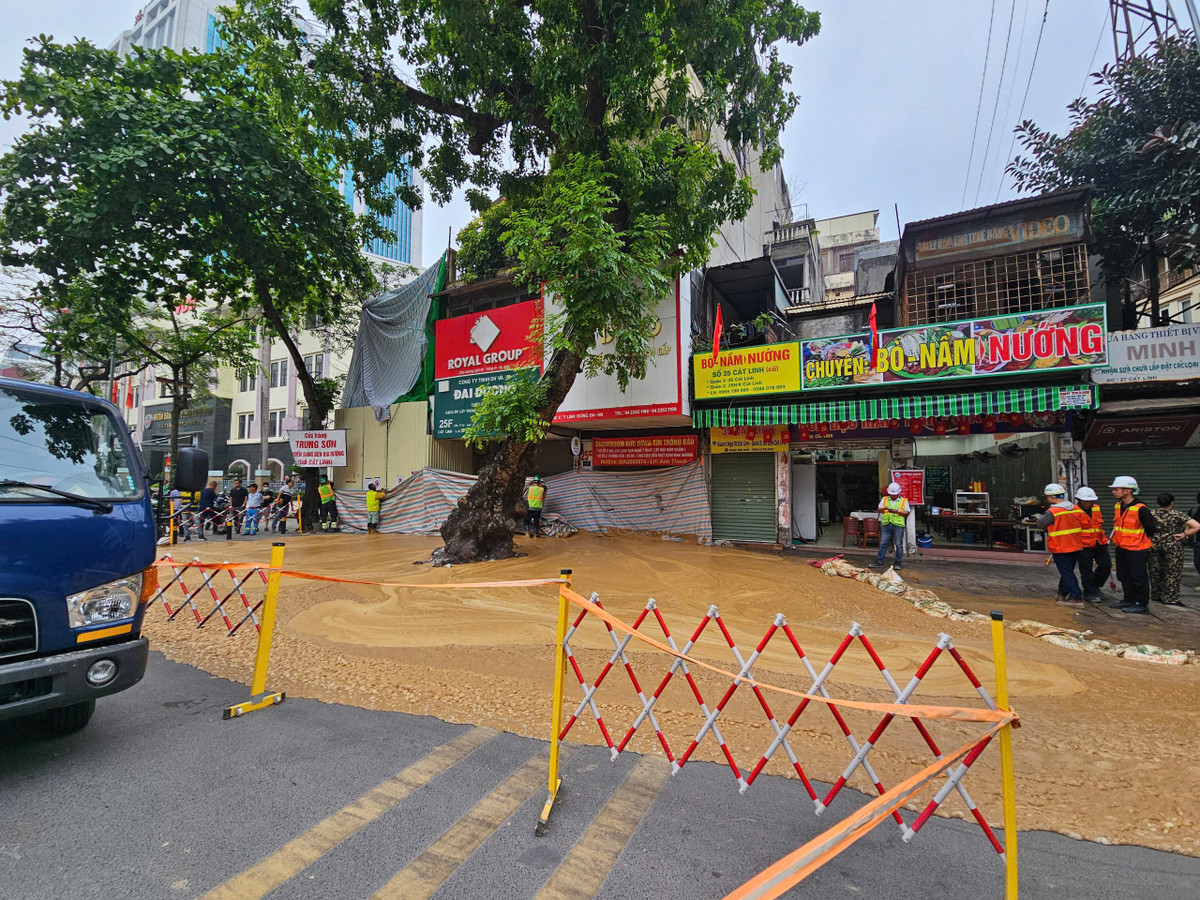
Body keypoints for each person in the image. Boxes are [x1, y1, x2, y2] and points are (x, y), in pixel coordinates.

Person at [1109, 476, 1157, 615]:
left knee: (1139, 577)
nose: (1113, 492)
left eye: (1116, 489)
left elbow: (1151, 528)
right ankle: (1128, 599)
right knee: (1124, 575)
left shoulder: (1141, 509)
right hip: (1121, 547)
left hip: (1137, 549)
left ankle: (1142, 604)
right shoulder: (1118, 506)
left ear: (1127, 490)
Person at [1036, 484, 1085, 608]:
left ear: (1052, 497)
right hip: (1075, 545)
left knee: (1066, 572)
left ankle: (1076, 597)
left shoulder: (1053, 512)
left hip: (1061, 546)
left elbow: (1040, 524)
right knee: (1067, 571)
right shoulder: (1075, 508)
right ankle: (1062, 593)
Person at [1148, 492, 1200, 606]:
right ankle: (1170, 598)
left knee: (1155, 571)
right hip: (1173, 547)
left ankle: (1156, 595)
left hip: (1154, 545)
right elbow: (1197, 526)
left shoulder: (1151, 513)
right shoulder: (1177, 514)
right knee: (1172, 572)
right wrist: (1184, 534)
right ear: (1172, 503)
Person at [1074, 486, 1111, 604]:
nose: (1088, 503)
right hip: (1083, 545)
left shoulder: (1096, 508)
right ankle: (1089, 592)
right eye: (1085, 501)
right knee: (1086, 570)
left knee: (1106, 566)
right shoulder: (1074, 511)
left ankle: (1095, 586)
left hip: (1099, 542)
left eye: (1090, 500)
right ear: (1079, 500)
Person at [869, 482, 909, 571]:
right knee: (883, 543)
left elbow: (907, 512)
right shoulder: (884, 499)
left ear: (898, 493)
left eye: (894, 495)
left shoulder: (904, 501)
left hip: (898, 525)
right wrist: (884, 509)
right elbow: (879, 510)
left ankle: (898, 563)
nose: (893, 496)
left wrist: (898, 511)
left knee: (898, 544)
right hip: (886, 524)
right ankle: (879, 562)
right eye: (891, 494)